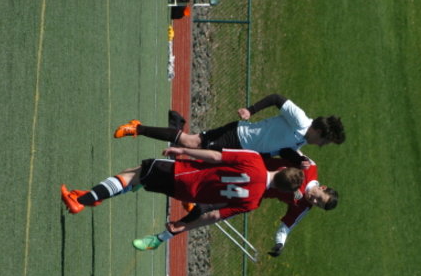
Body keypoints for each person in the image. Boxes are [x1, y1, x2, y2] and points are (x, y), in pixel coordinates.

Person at [60, 147, 304, 240]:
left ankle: (81, 200)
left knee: (136, 174)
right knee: (137, 176)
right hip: (186, 193)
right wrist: (183, 226)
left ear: (282, 169)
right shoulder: (253, 203)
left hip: (184, 173)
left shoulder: (254, 161)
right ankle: (97, 195)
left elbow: (216, 156)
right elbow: (214, 215)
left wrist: (184, 150)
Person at [131, 152, 339, 255]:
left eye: (317, 204)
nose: (313, 200)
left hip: (244, 193)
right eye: (318, 198)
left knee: (204, 210)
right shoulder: (309, 166)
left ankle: (160, 237)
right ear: (322, 187)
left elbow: (286, 227)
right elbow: (289, 148)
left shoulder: (302, 206)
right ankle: (148, 175)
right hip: (245, 168)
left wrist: (279, 244)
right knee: (200, 161)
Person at [112, 94, 345, 156]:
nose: (321, 145)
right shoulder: (300, 119)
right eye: (324, 141)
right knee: (190, 143)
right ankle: (137, 128)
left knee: (192, 149)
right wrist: (250, 110)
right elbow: (276, 98)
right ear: (319, 131)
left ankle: (169, 125)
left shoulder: (301, 142)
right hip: (238, 136)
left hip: (242, 152)